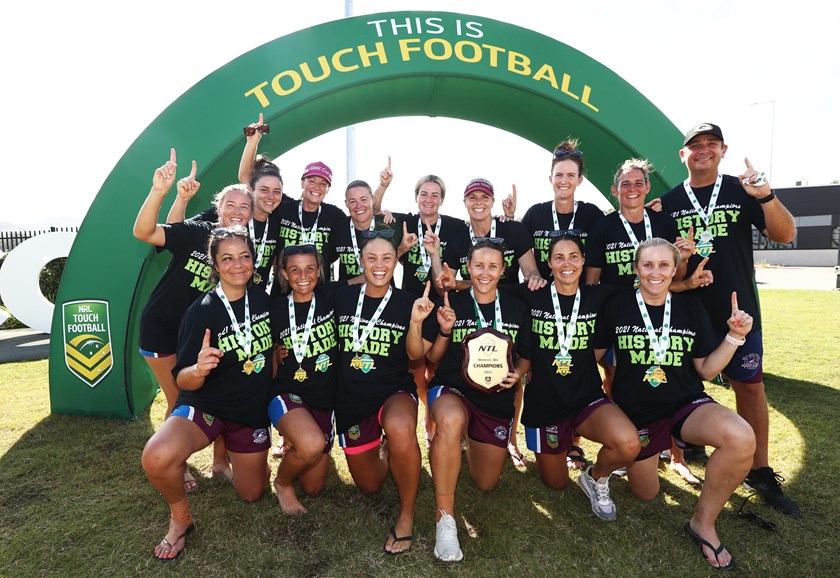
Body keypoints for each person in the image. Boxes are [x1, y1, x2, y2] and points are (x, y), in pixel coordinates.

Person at [659, 123, 799, 517]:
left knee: (749, 388)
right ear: (682, 155)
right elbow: (662, 267)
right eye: (695, 146)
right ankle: (682, 449)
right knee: (679, 382)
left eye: (711, 144)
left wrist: (767, 196)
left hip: (737, 312)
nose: (703, 150)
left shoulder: (742, 191)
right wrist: (684, 269)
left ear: (723, 150)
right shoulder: (667, 203)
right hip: (686, 311)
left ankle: (761, 471)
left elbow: (786, 234)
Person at [595, 238, 757, 570]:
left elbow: (706, 369)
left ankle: (703, 523)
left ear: (674, 269)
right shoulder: (616, 305)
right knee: (646, 493)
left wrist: (735, 337)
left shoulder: (689, 308)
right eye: (648, 265)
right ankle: (641, 458)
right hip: (638, 413)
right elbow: (594, 358)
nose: (655, 272)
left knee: (741, 437)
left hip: (686, 403)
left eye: (664, 265)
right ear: (636, 268)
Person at [141, 226, 274, 561]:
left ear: (254, 261)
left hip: (248, 412)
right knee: (156, 456)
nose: (238, 264)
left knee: (252, 493)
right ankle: (180, 519)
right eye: (227, 258)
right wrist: (198, 370)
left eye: (244, 256)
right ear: (215, 264)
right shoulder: (201, 310)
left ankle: (248, 459)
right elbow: (182, 381)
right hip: (206, 405)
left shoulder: (265, 300)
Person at [133, 149, 253, 491]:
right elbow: (147, 232)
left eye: (245, 206)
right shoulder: (199, 231)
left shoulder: (244, 248)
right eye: (231, 204)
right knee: (179, 399)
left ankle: (220, 461)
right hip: (164, 329)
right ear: (218, 207)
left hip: (205, 334)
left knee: (218, 393)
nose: (237, 211)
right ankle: (178, 464)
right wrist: (161, 191)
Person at [585, 158, 707, 484]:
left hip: (662, 314)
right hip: (619, 318)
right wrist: (620, 298)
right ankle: (627, 443)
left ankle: (677, 457)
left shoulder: (664, 222)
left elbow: (674, 273)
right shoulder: (603, 228)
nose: (633, 189)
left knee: (673, 377)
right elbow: (592, 282)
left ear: (648, 187)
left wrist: (687, 257)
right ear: (615, 190)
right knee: (616, 378)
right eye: (626, 184)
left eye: (638, 183)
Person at [419, 239, 532, 562]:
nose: (485, 272)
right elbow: (432, 360)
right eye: (478, 265)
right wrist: (444, 331)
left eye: (493, 266)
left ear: (503, 270)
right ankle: (445, 518)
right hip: (452, 390)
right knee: (451, 421)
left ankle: (457, 445)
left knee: (485, 482)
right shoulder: (452, 301)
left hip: (495, 400)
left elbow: (525, 355)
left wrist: (518, 374)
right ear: (468, 267)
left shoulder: (515, 306)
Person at [522, 231, 640, 520]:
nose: (567, 263)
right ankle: (561, 447)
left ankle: (595, 477)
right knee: (556, 483)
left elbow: (650, 286)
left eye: (574, 256)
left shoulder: (598, 295)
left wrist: (685, 277)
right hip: (544, 405)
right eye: (559, 257)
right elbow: (485, 290)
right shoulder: (531, 293)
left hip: (586, 398)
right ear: (548, 262)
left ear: (584, 260)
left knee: (628, 444)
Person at [436, 178, 545, 468]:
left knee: (514, 374)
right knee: (466, 365)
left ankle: (511, 439)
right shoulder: (459, 236)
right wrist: (461, 284)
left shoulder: (513, 228)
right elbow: (451, 281)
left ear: (493, 201)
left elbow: (530, 271)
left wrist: (532, 280)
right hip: (477, 306)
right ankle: (462, 431)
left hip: (508, 310)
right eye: (472, 198)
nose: (478, 202)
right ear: (465, 203)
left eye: (484, 197)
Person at [332, 234, 428, 555]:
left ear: (395, 261)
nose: (379, 265)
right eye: (371, 258)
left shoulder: (406, 301)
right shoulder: (342, 298)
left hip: (393, 390)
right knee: (370, 486)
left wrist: (415, 323)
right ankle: (386, 451)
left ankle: (406, 513)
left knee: (401, 427)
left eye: (386, 258)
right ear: (361, 261)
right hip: (351, 400)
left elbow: (415, 354)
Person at [391, 175, 473, 444]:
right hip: (410, 307)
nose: (429, 199)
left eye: (435, 195)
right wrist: (402, 248)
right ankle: (427, 418)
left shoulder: (456, 227)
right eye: (423, 194)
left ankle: (434, 422)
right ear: (416, 197)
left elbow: (449, 283)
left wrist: (436, 255)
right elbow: (382, 255)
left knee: (438, 368)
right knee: (415, 370)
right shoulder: (403, 221)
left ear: (442, 200)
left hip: (442, 306)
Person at [267, 244, 341, 514]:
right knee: (312, 445)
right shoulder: (274, 308)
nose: (303, 276)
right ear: (284, 273)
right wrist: (275, 353)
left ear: (319, 270)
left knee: (312, 487)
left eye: (310, 268)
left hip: (323, 398)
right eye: (295, 269)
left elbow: (369, 278)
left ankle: (297, 443)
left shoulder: (332, 296)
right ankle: (282, 482)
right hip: (288, 394)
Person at [169, 155, 284, 291]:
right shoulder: (231, 214)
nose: (270, 195)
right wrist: (181, 199)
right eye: (264, 189)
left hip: (252, 299)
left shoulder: (278, 219)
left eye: (276, 190)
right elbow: (175, 230)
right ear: (252, 188)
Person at [515, 139, 605, 280]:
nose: (564, 181)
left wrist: (644, 210)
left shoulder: (592, 214)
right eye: (559, 175)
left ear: (579, 180)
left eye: (571, 175)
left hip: (581, 296)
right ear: (551, 179)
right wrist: (508, 217)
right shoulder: (535, 214)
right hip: (543, 296)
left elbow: (617, 227)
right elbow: (515, 243)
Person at [333, 179, 403, 283]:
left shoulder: (388, 225)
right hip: (348, 296)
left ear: (373, 200)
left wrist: (403, 247)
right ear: (346, 203)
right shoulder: (338, 227)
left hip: (384, 296)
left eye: (363, 199)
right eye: (352, 201)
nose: (358, 206)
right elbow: (326, 259)